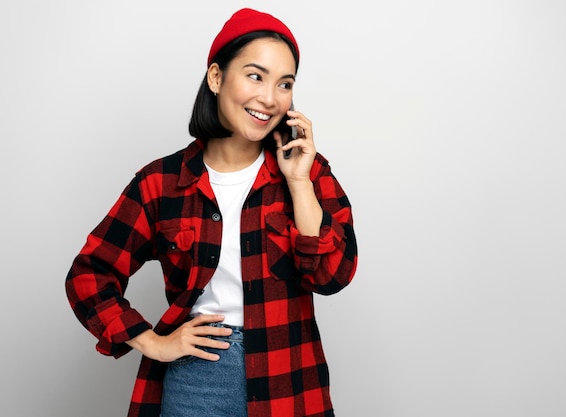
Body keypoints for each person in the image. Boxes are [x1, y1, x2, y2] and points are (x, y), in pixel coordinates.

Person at [65, 7, 358, 417]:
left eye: (285, 83)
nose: (270, 98)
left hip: (288, 378)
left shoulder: (307, 170)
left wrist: (298, 182)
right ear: (217, 77)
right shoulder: (161, 182)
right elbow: (89, 274)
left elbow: (332, 276)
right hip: (195, 384)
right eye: (255, 76)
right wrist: (151, 340)